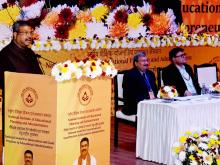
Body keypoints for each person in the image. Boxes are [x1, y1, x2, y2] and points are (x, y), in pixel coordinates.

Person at [0, 20, 43, 146]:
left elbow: (39, 76)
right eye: (25, 33)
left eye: (31, 32)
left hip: (33, 108)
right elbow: (5, 83)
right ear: (15, 34)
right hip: (16, 111)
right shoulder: (4, 55)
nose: (29, 36)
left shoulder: (30, 53)